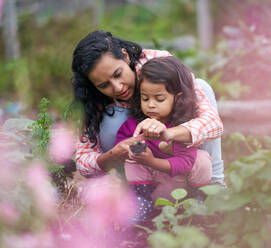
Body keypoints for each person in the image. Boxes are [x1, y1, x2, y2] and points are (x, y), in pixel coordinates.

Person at [71, 30, 224, 194]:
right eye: (103, 85)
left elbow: (213, 124)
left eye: (118, 74)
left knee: (202, 87)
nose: (118, 87)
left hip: (179, 153)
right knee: (112, 121)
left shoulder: (158, 65)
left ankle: (214, 186)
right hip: (138, 162)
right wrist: (113, 154)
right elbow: (83, 162)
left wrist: (168, 133)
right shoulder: (91, 97)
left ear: (125, 56)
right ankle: (136, 194)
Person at [114, 56, 212, 221]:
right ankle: (141, 202)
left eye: (159, 99)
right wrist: (135, 148)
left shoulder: (182, 127)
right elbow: (121, 145)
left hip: (182, 188)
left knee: (201, 159)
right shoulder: (136, 124)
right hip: (152, 188)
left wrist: (151, 161)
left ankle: (198, 201)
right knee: (131, 157)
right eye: (145, 98)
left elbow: (185, 163)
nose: (151, 104)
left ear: (177, 97)